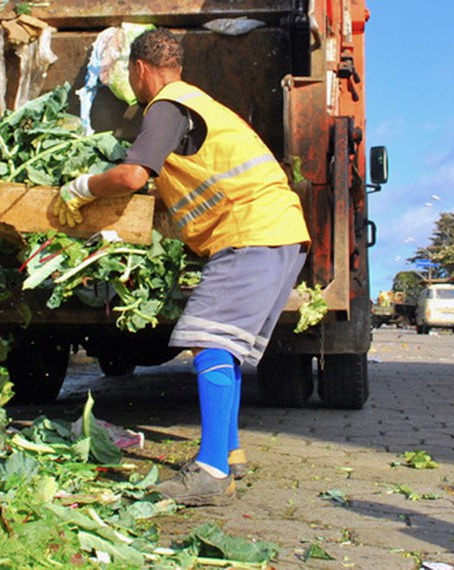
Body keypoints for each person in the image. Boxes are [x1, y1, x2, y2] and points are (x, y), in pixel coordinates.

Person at [54, 28, 310, 505]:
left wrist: (82, 188)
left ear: (139, 70)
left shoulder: (167, 107)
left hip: (250, 231)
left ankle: (210, 472)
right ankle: (228, 454)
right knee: (224, 345)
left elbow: (132, 175)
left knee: (207, 338)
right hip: (277, 232)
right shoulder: (197, 103)